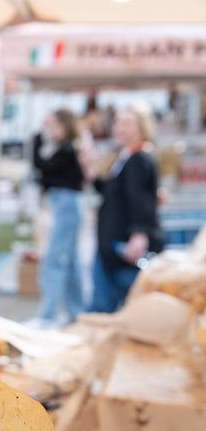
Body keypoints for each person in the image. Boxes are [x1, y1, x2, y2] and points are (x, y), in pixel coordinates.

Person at [86, 104, 164, 313]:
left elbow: (141, 200)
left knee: (120, 305)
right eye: (119, 122)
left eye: (128, 123)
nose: (121, 128)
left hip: (124, 246)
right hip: (111, 243)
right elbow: (112, 194)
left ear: (141, 127)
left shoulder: (139, 158)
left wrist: (139, 234)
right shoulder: (124, 156)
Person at [25, 108, 86, 329]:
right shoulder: (65, 149)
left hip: (67, 204)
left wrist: (38, 136)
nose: (52, 130)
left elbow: (41, 166)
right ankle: (75, 311)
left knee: (53, 260)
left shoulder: (67, 150)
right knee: (70, 261)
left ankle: (47, 314)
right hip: (65, 203)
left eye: (55, 125)